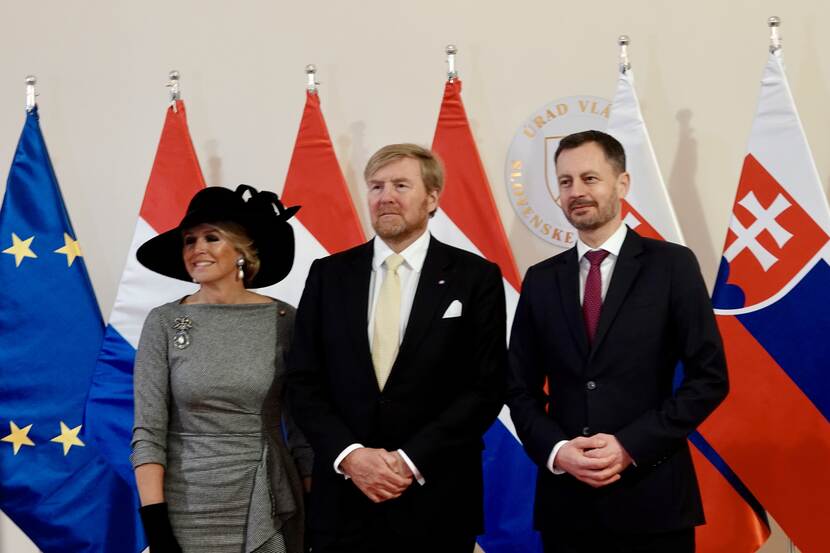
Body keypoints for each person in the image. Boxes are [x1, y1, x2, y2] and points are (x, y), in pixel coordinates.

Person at [506, 130, 729, 553]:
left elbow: (709, 378)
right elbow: (518, 388)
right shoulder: (540, 280)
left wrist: (630, 446)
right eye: (566, 181)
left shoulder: (672, 266)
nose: (576, 192)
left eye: (590, 178)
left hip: (654, 500)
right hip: (567, 508)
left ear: (622, 184)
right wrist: (557, 450)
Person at [286, 144, 506, 552]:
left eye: (401, 185)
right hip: (344, 501)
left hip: (436, 497)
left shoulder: (475, 277)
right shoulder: (329, 275)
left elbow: (485, 386)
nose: (385, 196)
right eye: (375, 186)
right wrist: (351, 456)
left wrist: (408, 459)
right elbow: (303, 381)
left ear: (433, 197)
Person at [130, 185, 311, 553]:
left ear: (242, 251)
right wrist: (156, 524)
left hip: (267, 498)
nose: (197, 248)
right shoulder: (164, 321)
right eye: (189, 240)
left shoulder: (284, 320)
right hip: (185, 506)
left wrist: (318, 508)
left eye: (212, 237)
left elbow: (302, 427)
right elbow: (148, 430)